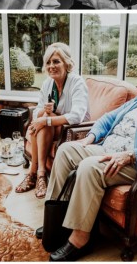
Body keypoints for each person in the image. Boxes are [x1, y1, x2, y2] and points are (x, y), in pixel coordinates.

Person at [41, 56, 137, 261]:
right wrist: (90, 138)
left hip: (136, 163)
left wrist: (131, 155)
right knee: (66, 149)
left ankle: (80, 239)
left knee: (89, 167)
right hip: (107, 149)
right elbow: (108, 118)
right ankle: (55, 220)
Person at [15, 43, 90, 199]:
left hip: (76, 130)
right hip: (55, 126)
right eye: (48, 62)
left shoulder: (77, 82)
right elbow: (37, 113)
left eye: (56, 61)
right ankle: (40, 174)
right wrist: (45, 113)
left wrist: (45, 120)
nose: (51, 66)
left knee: (44, 122)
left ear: (66, 63)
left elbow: (77, 116)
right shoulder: (48, 83)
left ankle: (34, 174)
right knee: (42, 121)